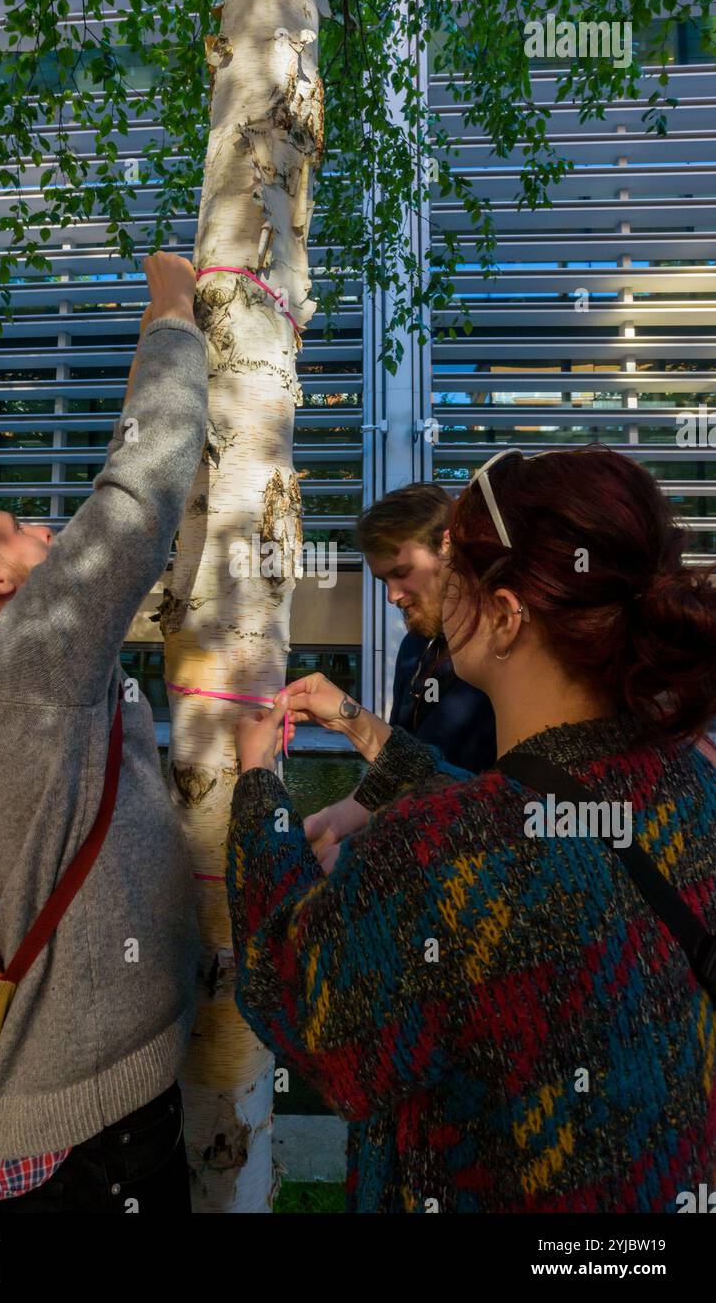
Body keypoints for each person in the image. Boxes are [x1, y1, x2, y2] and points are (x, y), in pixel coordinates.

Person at [228, 445, 716, 1213]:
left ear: (504, 614)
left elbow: (301, 1004)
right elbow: (533, 824)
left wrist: (259, 796)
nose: (411, 594)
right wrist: (357, 724)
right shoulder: (688, 782)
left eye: (452, 568)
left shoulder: (436, 852)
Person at [0, 252, 208, 1212]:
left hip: (76, 1116)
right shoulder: (22, 660)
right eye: (18, 528)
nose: (48, 536)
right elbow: (137, 495)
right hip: (88, 1139)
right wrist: (173, 307)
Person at [305, 484, 495, 873]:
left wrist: (362, 849)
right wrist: (334, 821)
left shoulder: (496, 655)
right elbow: (403, 767)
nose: (392, 596)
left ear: (448, 545)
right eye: (382, 581)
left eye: (402, 573)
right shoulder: (416, 646)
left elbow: (460, 791)